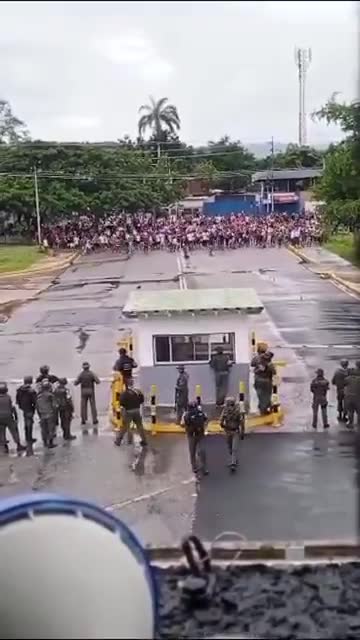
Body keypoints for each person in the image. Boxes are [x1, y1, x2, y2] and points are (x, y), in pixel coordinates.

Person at [115, 378, 147, 447]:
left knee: (125, 426)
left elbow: (121, 403)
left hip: (128, 412)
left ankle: (118, 440)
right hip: (137, 411)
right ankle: (144, 441)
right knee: (140, 426)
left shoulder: (124, 393)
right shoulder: (137, 392)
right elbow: (142, 400)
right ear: (133, 384)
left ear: (127, 385)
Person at [182, 400, 208, 477]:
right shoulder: (200, 413)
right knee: (201, 451)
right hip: (200, 435)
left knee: (192, 452)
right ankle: (204, 468)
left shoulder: (186, 415)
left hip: (191, 436)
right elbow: (206, 419)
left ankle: (194, 467)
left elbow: (182, 424)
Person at [0, 382, 26, 454]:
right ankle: (18, 445)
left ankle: (4, 447)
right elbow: (12, 408)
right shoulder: (8, 397)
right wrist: (16, 417)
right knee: (14, 431)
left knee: (1, 432)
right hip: (8, 416)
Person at [74, 362, 100, 433]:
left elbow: (75, 383)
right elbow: (98, 381)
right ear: (89, 367)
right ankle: (94, 419)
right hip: (91, 390)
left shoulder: (81, 374)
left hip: (83, 391)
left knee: (83, 406)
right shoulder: (91, 373)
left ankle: (83, 420)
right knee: (93, 405)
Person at [220, 396, 244, 472]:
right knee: (232, 448)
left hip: (231, 431)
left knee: (232, 448)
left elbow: (221, 422)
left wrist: (224, 427)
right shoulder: (233, 411)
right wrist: (242, 432)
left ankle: (233, 462)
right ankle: (234, 460)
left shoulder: (229, 411)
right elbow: (241, 423)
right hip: (232, 431)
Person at [16, 376, 37, 454]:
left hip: (24, 407)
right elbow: (35, 401)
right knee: (29, 423)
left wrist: (20, 405)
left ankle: (27, 437)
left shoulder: (19, 390)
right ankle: (29, 438)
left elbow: (17, 399)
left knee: (27, 422)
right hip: (30, 408)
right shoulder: (31, 391)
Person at [36, 379, 57, 448]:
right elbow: (54, 406)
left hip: (42, 415)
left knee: (44, 429)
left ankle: (45, 442)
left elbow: (37, 407)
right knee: (51, 429)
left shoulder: (39, 396)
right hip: (50, 414)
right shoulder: (51, 395)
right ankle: (50, 443)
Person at [344, 360, 360, 428]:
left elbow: (343, 385)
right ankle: (359, 423)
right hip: (358, 397)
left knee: (350, 411)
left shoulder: (347, 379)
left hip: (349, 397)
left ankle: (350, 423)